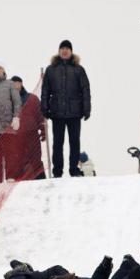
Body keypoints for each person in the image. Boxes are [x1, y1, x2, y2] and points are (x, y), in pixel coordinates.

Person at [41, 40, 91, 178]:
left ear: (71, 51)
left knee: (74, 142)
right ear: (59, 51)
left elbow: (85, 90)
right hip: (57, 113)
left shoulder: (79, 69)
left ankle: (74, 170)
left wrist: (87, 109)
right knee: (58, 143)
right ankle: (57, 171)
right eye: (62, 48)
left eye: (67, 49)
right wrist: (44, 108)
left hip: (75, 113)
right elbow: (45, 90)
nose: (64, 51)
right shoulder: (51, 69)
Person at [11, 75, 47, 180]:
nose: (14, 85)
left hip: (32, 133)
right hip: (16, 135)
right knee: (19, 160)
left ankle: (41, 180)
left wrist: (43, 130)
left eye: (16, 83)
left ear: (21, 84)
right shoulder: (8, 102)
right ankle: (21, 182)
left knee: (36, 157)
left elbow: (40, 115)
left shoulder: (32, 98)